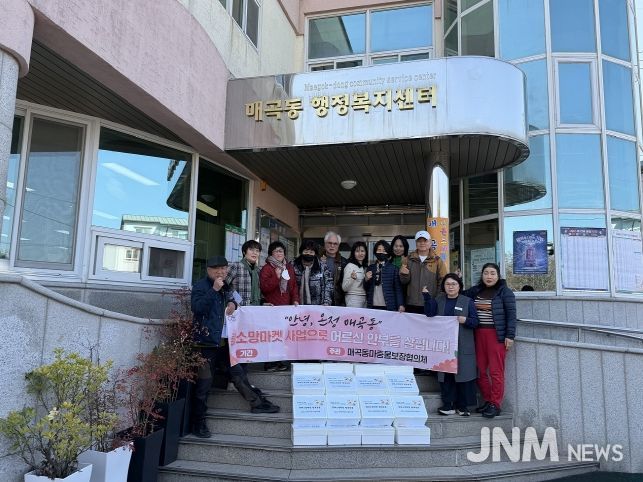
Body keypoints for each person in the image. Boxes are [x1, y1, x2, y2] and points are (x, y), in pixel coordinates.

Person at [191, 256, 280, 438]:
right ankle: (198, 423)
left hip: (226, 344)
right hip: (206, 344)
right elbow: (197, 308)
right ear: (209, 270)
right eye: (217, 269)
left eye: (224, 269)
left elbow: (238, 299)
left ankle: (257, 404)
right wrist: (214, 291)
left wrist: (233, 303)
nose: (221, 272)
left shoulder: (227, 286)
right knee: (204, 385)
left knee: (239, 374)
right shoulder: (201, 286)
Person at [463, 262, 516, 419]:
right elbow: (460, 294)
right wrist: (457, 280)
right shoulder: (476, 290)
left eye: (492, 273)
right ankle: (487, 400)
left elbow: (511, 315)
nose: (489, 276)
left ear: (498, 275)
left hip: (496, 335)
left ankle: (495, 404)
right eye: (486, 273)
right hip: (478, 334)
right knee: (479, 370)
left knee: (495, 371)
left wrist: (510, 336)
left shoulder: (505, 292)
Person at [423, 273, 479, 416]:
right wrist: (427, 297)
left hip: (462, 345)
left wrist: (465, 320)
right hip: (445, 346)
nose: (451, 287)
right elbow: (430, 313)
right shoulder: (439, 300)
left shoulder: (467, 301)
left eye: (454, 284)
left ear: (459, 286)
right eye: (447, 284)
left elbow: (475, 322)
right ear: (444, 287)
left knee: (463, 375)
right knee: (446, 375)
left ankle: (463, 406)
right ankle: (448, 405)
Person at [260, 241, 299, 372]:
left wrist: (295, 300)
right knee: (271, 335)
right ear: (271, 253)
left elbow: (293, 286)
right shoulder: (267, 268)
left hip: (286, 307)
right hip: (272, 307)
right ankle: (269, 363)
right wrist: (276, 277)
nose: (279, 253)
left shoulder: (289, 268)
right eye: (276, 251)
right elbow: (264, 288)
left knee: (283, 335)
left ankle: (280, 361)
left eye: (281, 251)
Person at [400, 230, 448, 313]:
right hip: (411, 303)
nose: (422, 243)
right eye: (419, 241)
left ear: (430, 242)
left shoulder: (437, 260)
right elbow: (403, 282)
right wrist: (404, 275)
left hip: (430, 302)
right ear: (416, 243)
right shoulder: (408, 259)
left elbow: (442, 281)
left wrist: (437, 299)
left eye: (425, 241)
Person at [364, 240, 405, 312]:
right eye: (379, 250)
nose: (381, 252)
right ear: (375, 252)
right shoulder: (370, 268)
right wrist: (366, 280)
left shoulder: (394, 269)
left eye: (384, 251)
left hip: (389, 306)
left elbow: (398, 289)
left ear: (388, 253)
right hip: (372, 305)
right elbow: (366, 288)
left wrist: (400, 304)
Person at [293, 239, 333, 306]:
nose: (308, 254)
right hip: (297, 305)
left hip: (318, 305)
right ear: (301, 252)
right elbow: (290, 286)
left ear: (315, 253)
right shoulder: (293, 265)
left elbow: (328, 285)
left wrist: (326, 302)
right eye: (306, 251)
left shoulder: (322, 267)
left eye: (311, 252)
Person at [226, 239, 263, 307]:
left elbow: (259, 292)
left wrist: (263, 303)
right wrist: (236, 300)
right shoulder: (236, 266)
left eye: (257, 251)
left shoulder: (258, 270)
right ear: (244, 252)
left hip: (255, 308)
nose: (254, 253)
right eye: (251, 250)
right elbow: (224, 286)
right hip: (239, 308)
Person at [320, 231, 348, 306]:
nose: (332, 246)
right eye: (329, 243)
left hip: (337, 302)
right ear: (325, 244)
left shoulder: (344, 262)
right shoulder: (317, 260)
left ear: (338, 245)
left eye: (335, 244)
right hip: (320, 301)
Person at [341, 241, 368, 308]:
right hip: (353, 298)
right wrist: (352, 279)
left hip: (365, 299)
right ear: (353, 253)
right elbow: (344, 288)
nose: (360, 253)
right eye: (357, 251)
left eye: (362, 251)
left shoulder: (366, 267)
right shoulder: (349, 266)